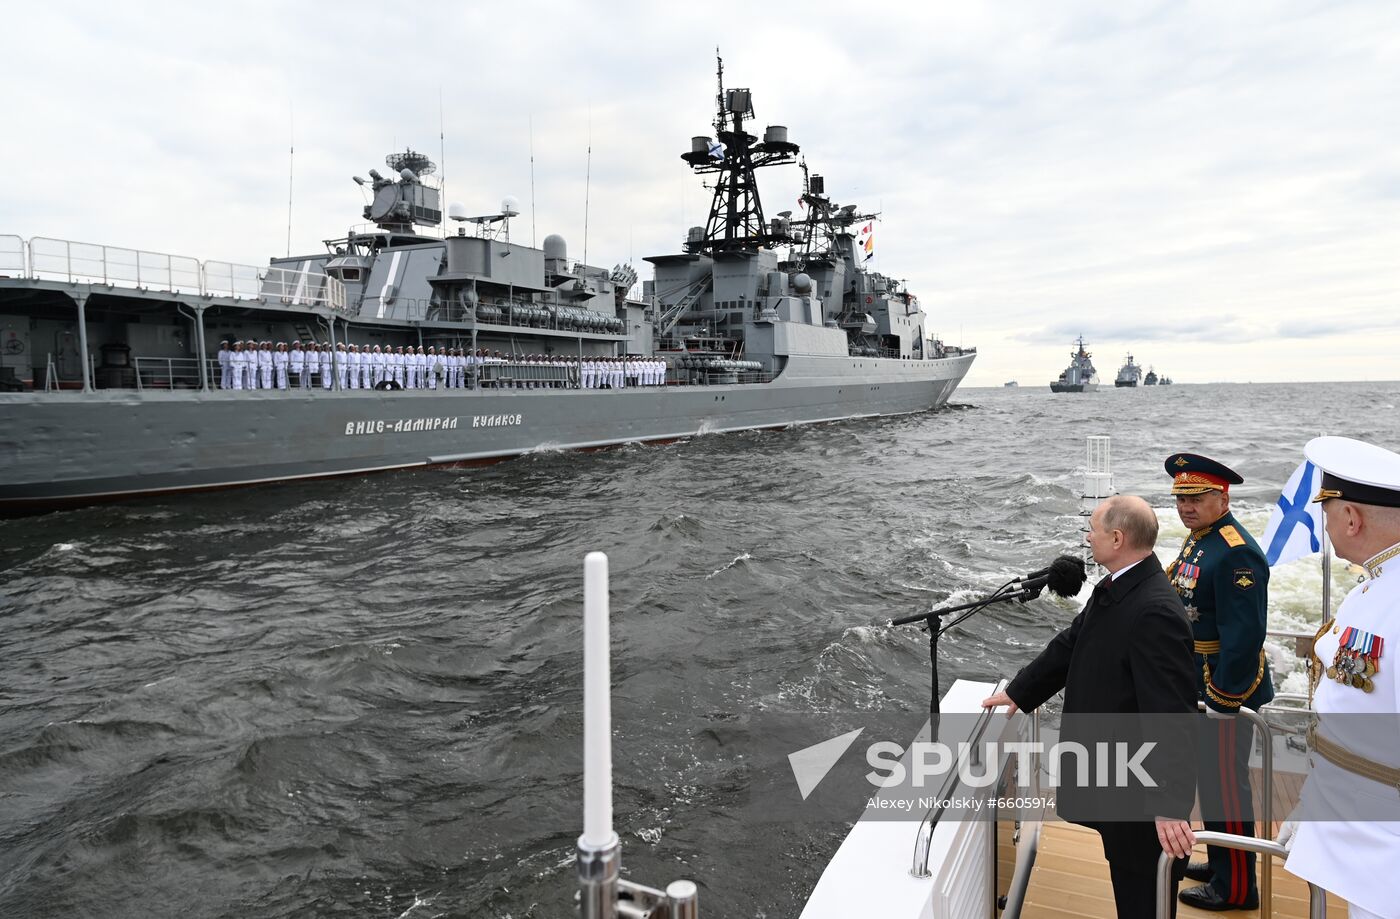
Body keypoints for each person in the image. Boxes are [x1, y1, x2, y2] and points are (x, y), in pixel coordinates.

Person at [982, 495, 1197, 919]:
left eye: (1092, 530)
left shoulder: (1154, 610)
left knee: (1143, 890)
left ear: (1117, 538)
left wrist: (1171, 804)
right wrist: (1020, 691)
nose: (1087, 538)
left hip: (1140, 786)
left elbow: (1172, 714)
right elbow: (1071, 643)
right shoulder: (1119, 586)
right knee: (1126, 875)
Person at [1284, 436, 1400, 919]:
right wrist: (1313, 803)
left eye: (1326, 510)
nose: (1326, 523)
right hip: (1359, 829)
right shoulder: (1373, 589)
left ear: (1351, 518)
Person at [1163, 453, 1272, 911]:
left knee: (1225, 787)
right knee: (1211, 783)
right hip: (1200, 681)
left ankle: (1239, 888)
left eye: (1196, 498)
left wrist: (1223, 701)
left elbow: (1243, 638)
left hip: (1225, 687)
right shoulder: (1202, 539)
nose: (1186, 507)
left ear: (1222, 499)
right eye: (1180, 499)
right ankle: (1224, 863)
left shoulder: (1235, 552)